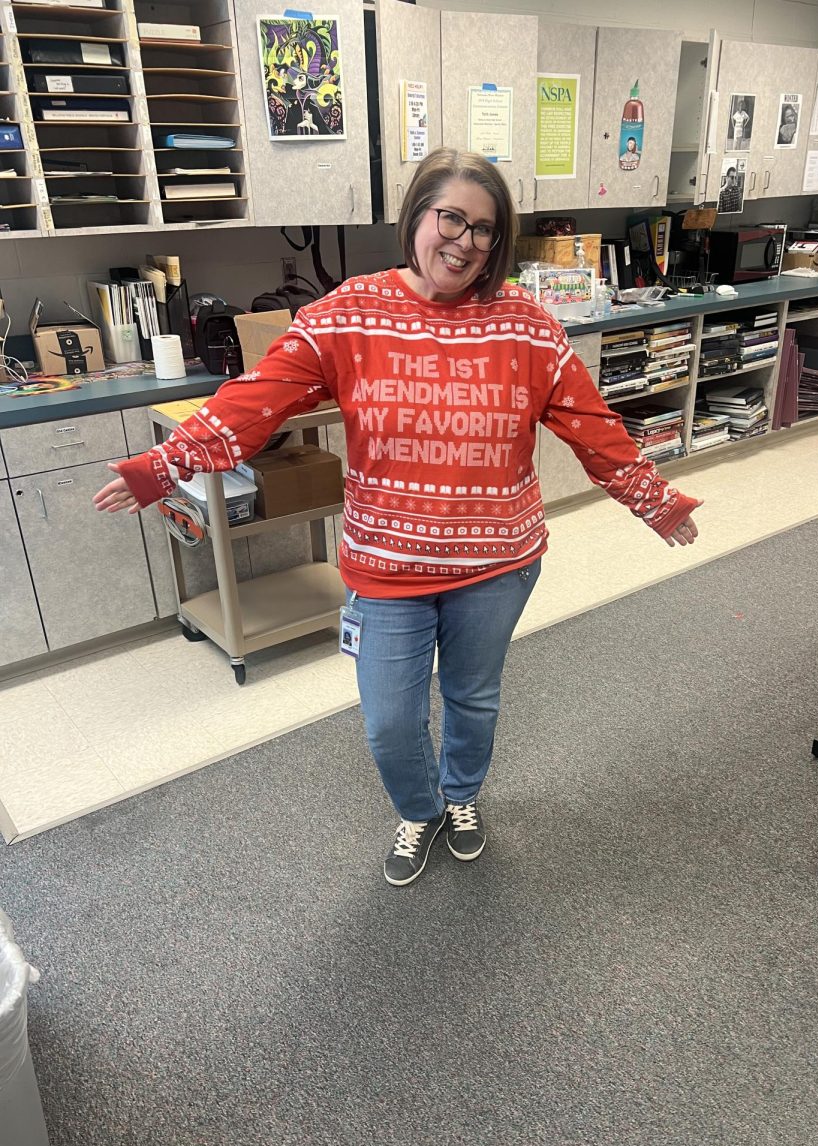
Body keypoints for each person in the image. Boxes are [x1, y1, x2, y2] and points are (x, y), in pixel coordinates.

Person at [93, 148, 702, 888]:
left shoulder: (528, 327)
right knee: (388, 720)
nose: (465, 241)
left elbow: (591, 425)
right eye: (451, 218)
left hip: (497, 562)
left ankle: (462, 796)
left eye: (484, 228)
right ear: (418, 215)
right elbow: (257, 398)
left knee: (473, 697)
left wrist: (653, 499)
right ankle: (421, 809)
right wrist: (164, 466)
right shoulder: (351, 311)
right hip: (386, 567)